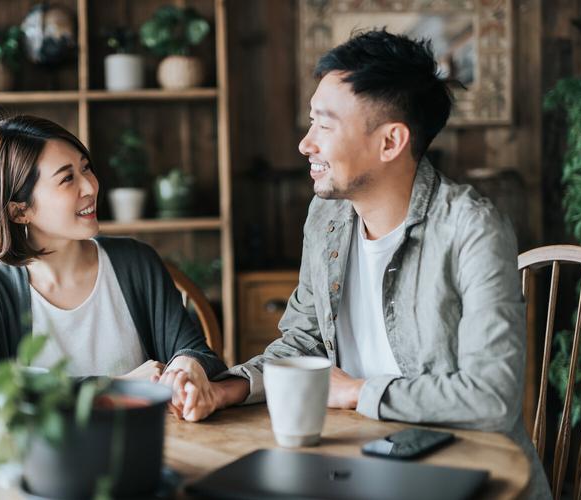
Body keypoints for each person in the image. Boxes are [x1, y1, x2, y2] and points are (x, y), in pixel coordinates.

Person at [158, 30, 551, 498]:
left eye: (324, 126)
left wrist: (356, 392)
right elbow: (301, 345)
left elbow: (492, 397)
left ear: (391, 142)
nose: (306, 144)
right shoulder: (326, 217)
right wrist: (226, 390)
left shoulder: (472, 228)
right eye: (310, 123)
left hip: (469, 474)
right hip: (355, 465)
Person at [0, 115, 225, 417]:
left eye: (85, 168)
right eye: (67, 179)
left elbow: (199, 354)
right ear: (19, 211)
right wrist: (114, 389)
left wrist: (188, 366)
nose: (90, 186)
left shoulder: (136, 262)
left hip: (145, 449)